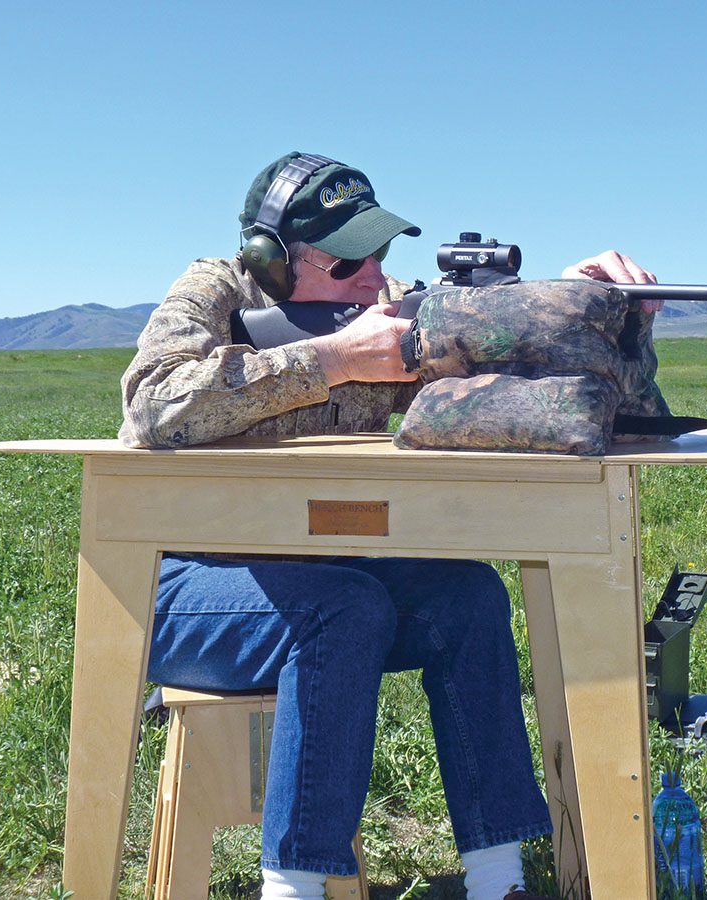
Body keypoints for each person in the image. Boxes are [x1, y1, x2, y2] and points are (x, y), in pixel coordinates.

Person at [119, 152, 658, 900]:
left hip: (328, 576)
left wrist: (578, 305)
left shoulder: (393, 303)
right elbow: (153, 404)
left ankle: (497, 881)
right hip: (184, 591)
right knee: (344, 608)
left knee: (465, 598)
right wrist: (332, 360)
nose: (374, 277)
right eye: (348, 263)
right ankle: (294, 888)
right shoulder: (215, 290)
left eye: (380, 253)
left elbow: (511, 346)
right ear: (272, 263)